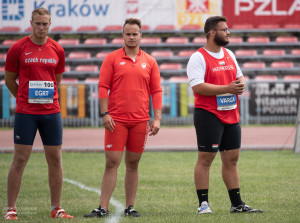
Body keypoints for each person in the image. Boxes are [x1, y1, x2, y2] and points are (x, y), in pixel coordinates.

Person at [83, 18, 162, 218]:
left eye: (135, 33)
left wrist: (157, 118)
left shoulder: (150, 61)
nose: (132, 37)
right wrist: (105, 113)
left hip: (140, 121)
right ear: (123, 35)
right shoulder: (111, 58)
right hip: (116, 120)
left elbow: (156, 91)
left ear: (141, 35)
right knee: (112, 162)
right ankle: (103, 206)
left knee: (133, 163)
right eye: (128, 33)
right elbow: (103, 87)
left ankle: (130, 206)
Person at [187, 16, 263, 214]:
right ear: (213, 33)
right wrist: (227, 88)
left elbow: (239, 76)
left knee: (232, 159)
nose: (228, 32)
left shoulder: (229, 53)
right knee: (206, 159)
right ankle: (203, 204)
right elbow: (197, 86)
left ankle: (237, 204)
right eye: (224, 29)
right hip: (208, 114)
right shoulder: (198, 57)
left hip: (231, 113)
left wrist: (242, 83)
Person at [4, 7, 74, 220]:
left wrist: (44, 98)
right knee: (20, 158)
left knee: (55, 158)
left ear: (50, 24)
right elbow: (9, 79)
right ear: (31, 23)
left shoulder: (57, 50)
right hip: (26, 113)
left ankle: (56, 208)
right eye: (38, 24)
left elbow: (56, 80)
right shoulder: (18, 48)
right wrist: (24, 99)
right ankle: (11, 209)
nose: (41, 28)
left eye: (45, 24)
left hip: (51, 112)